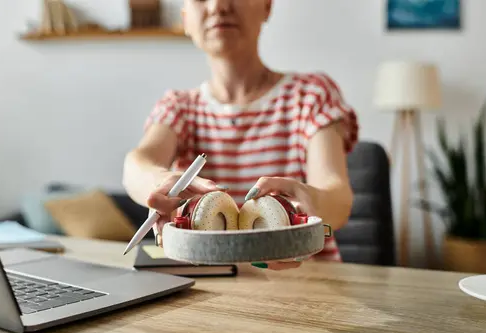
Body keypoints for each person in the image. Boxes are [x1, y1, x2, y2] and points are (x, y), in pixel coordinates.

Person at [122, 0, 359, 270]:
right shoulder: (178, 107)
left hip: (310, 289)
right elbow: (136, 165)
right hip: (210, 294)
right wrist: (159, 182)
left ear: (267, 7)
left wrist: (310, 202)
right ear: (186, 19)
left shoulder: (312, 95)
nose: (218, 5)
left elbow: (337, 196)